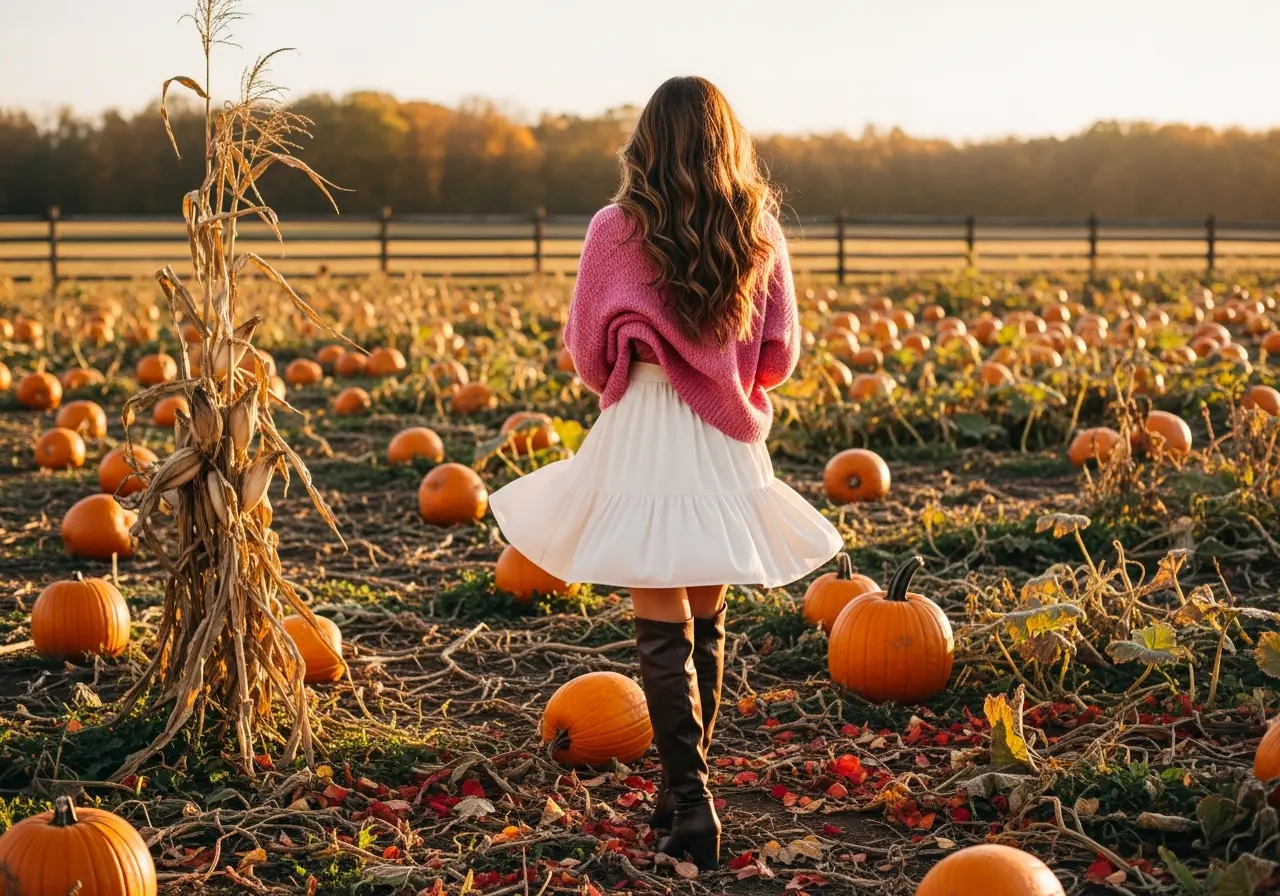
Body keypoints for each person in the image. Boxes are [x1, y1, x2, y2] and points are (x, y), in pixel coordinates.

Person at [489, 75, 842, 871]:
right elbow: (780, 357)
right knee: (706, 620)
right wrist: (724, 367)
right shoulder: (760, 230)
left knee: (660, 630)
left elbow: (586, 352)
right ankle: (688, 792)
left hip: (645, 426)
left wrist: (640, 355)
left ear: (645, 144)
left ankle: (690, 802)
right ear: (730, 145)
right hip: (723, 436)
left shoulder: (614, 229)